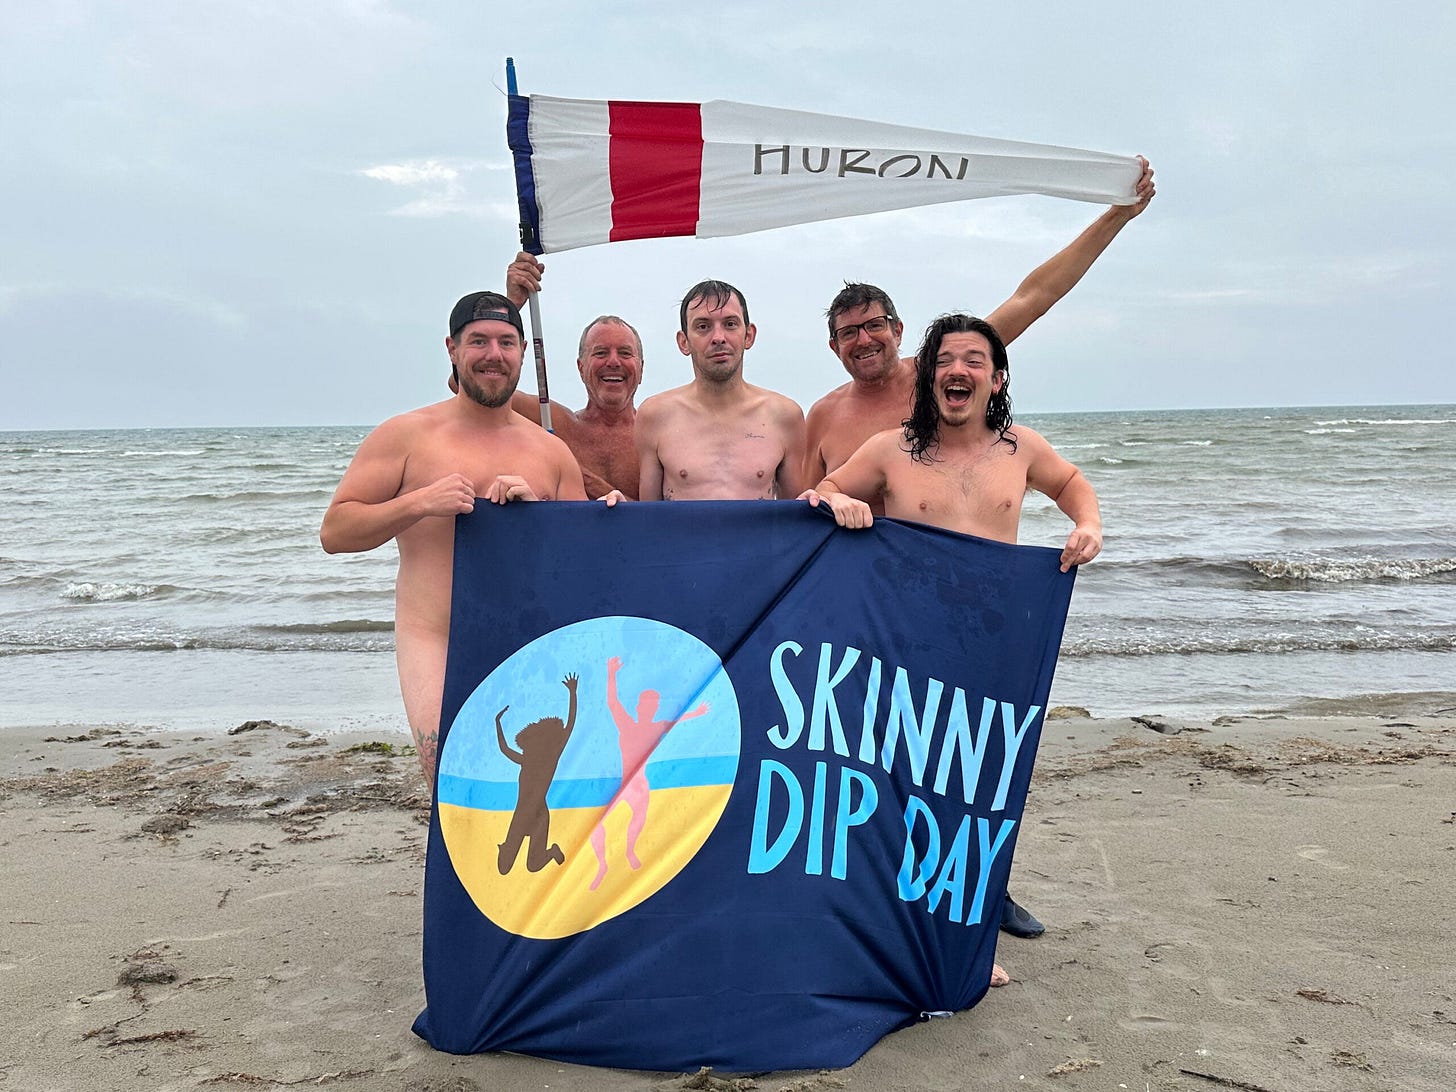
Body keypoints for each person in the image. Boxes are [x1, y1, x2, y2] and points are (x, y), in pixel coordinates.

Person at [802, 313, 1104, 982]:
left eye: (973, 360)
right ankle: (907, 924)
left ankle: (969, 929)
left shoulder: (1020, 447)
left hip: (995, 645)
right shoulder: (889, 451)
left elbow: (1073, 485)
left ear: (996, 379)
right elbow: (817, 491)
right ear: (928, 376)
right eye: (944, 360)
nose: (957, 370)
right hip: (909, 646)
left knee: (980, 792)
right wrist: (837, 503)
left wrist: (1088, 524)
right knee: (910, 789)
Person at [320, 292, 590, 780]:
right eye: (479, 341)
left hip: (527, 638)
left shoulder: (551, 453)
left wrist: (540, 514)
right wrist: (419, 503)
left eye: (507, 342)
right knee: (448, 776)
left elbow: (579, 567)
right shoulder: (406, 435)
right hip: (435, 638)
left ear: (523, 352)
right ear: (451, 348)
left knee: (527, 790)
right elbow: (336, 532)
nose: (494, 354)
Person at [804, 158, 1156, 497]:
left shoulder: (941, 373)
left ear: (897, 331)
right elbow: (800, 508)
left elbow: (1033, 298)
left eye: (874, 325)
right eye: (849, 332)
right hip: (863, 559)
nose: (863, 339)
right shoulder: (823, 415)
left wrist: (1118, 214)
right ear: (835, 346)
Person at [635, 280, 807, 500]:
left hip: (755, 536)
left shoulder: (784, 416)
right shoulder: (655, 416)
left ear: (749, 335)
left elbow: (795, 519)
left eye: (730, 324)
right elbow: (648, 520)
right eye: (703, 326)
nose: (718, 338)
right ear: (683, 342)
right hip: (684, 535)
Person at [502, 252, 646, 500]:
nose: (613, 362)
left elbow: (666, 524)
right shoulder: (552, 422)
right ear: (581, 368)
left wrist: (579, 478)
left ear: (641, 368)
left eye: (624, 353)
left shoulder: (657, 436)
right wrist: (510, 306)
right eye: (600, 352)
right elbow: (465, 386)